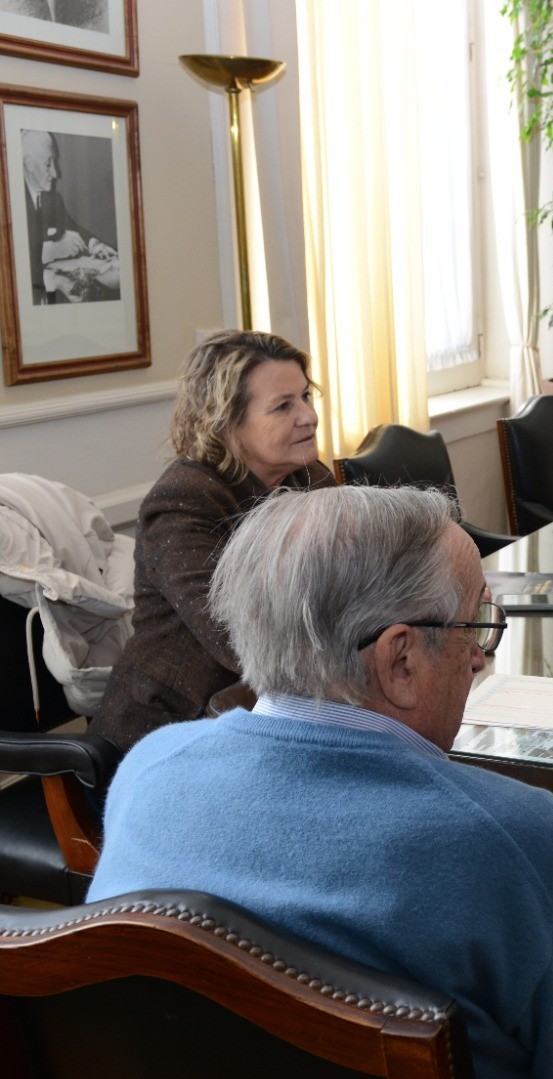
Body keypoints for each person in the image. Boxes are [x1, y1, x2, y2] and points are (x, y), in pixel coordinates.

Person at [88, 485, 553, 1079]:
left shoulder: (149, 770)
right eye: (475, 624)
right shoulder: (515, 842)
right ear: (400, 661)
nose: (479, 659)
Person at [92, 330, 332, 752]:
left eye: (306, 397)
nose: (308, 416)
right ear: (226, 423)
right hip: (168, 737)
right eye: (283, 406)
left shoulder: (308, 478)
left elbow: (367, 578)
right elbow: (237, 638)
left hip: (266, 718)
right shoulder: (183, 501)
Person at [20, 129, 118, 305]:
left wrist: (94, 244)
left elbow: (71, 226)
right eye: (48, 165)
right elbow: (16, 266)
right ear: (27, 164)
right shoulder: (10, 206)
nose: (56, 174)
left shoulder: (52, 198)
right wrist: (52, 251)